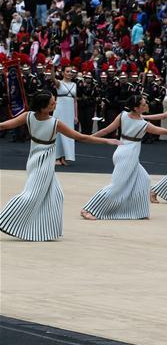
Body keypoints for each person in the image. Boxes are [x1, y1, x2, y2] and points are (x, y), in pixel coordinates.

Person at [0, 92, 121, 241]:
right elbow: (80, 137)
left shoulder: (28, 116)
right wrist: (107, 141)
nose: (55, 104)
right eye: (52, 103)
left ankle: (44, 231)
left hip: (35, 159)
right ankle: (3, 220)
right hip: (43, 161)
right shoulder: (54, 123)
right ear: (43, 108)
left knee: (56, 196)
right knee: (31, 195)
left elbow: (3, 125)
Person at [81, 95, 167, 220]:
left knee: (144, 179)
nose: (147, 105)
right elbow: (165, 131)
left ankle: (139, 211)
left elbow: (105, 131)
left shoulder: (123, 116)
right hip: (127, 156)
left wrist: (90, 137)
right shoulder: (142, 124)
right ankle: (89, 209)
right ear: (136, 108)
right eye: (143, 104)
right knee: (117, 186)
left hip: (124, 153)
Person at [52, 66, 78, 165]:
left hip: (70, 112)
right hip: (60, 110)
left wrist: (76, 116)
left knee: (68, 133)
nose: (69, 73)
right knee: (58, 133)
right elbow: (52, 78)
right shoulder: (59, 83)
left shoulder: (74, 85)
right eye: (67, 71)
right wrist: (52, 67)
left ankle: (64, 157)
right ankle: (56, 158)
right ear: (63, 73)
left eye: (71, 72)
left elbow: (75, 101)